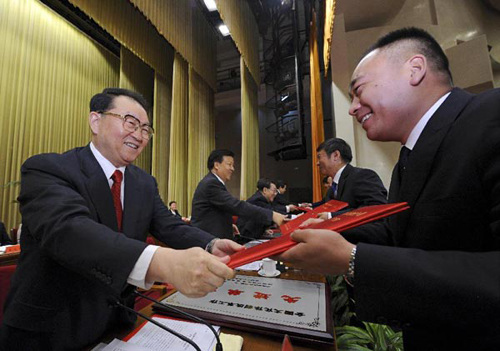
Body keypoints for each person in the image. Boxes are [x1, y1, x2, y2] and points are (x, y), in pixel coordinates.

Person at [279, 27, 500, 350]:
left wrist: (353, 259)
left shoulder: (492, 116)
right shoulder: (406, 162)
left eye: (358, 90)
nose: (353, 108)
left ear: (414, 69)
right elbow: (402, 236)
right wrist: (334, 231)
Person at [0, 88, 242, 350]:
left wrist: (211, 244)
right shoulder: (48, 169)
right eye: (130, 123)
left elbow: (168, 224)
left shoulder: (143, 182)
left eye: (146, 129)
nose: (138, 136)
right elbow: (69, 231)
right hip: (50, 331)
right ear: (96, 121)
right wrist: (161, 262)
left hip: (117, 323)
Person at [191, 149, 286, 240]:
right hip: (207, 242)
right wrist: (272, 215)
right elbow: (236, 205)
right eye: (229, 164)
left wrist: (227, 225)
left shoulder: (213, 182)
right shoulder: (211, 184)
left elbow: (214, 212)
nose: (233, 169)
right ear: (216, 165)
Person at [313, 138, 387, 217]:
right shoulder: (332, 189)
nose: (317, 163)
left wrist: (331, 216)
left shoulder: (362, 176)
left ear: (335, 155)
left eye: (319, 157)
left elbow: (376, 207)